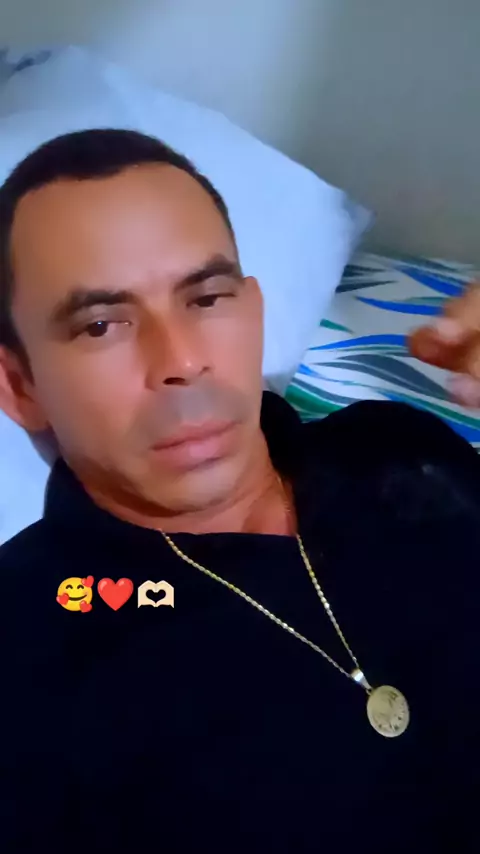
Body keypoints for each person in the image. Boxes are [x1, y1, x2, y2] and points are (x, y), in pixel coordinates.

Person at [0, 129, 479, 854]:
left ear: (253, 310)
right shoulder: (28, 648)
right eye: (100, 325)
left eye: (206, 298)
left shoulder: (400, 449)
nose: (182, 360)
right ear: (20, 386)